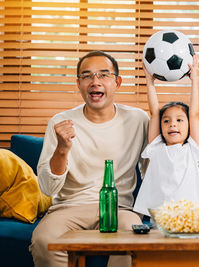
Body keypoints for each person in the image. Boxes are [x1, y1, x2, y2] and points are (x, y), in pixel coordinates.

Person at [29, 51, 149, 267]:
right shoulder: (60, 122)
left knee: (133, 236)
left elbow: (153, 170)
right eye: (87, 76)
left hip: (119, 209)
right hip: (69, 208)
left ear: (117, 82)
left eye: (103, 75)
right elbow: (48, 188)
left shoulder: (138, 119)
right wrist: (63, 149)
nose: (95, 82)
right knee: (43, 240)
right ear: (78, 83)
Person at [133, 55, 199, 216]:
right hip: (159, 214)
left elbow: (194, 113)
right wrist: (149, 81)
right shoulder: (156, 147)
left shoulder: (193, 149)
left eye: (180, 120)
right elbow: (154, 112)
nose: (172, 124)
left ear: (189, 126)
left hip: (190, 213)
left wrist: (195, 79)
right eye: (166, 121)